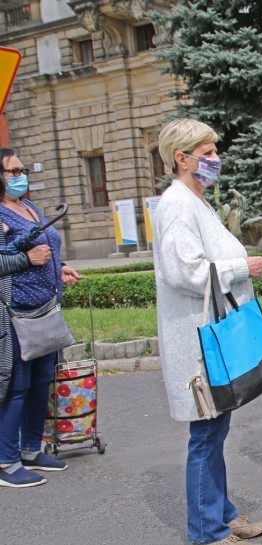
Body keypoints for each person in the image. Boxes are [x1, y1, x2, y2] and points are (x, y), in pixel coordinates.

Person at [153, 119, 262, 545]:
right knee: (205, 436)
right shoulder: (177, 204)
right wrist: (242, 267)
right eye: (207, 153)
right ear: (181, 159)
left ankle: (222, 514)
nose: (216, 159)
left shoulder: (194, 200)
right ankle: (207, 531)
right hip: (198, 342)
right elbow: (182, 270)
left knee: (215, 431)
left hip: (209, 336)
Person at [0, 147, 79, 488]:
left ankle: (31, 449)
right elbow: (23, 257)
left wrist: (59, 268)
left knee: (40, 384)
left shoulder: (28, 207)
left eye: (22, 171)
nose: (21, 177)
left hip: (45, 311)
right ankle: (6, 462)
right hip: (14, 314)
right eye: (13, 172)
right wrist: (26, 260)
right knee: (16, 388)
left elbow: (46, 248)